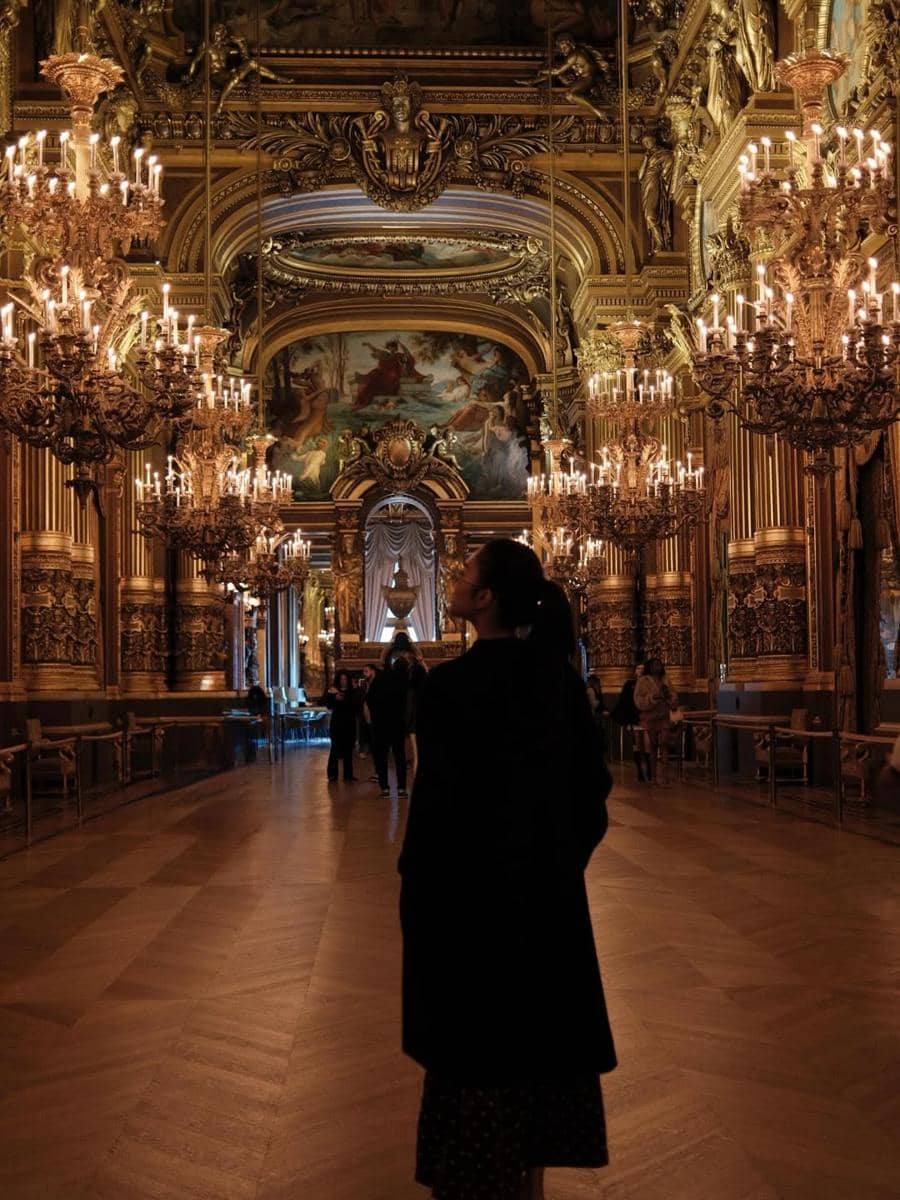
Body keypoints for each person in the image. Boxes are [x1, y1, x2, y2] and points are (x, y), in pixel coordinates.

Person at [400, 539, 615, 1200]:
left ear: (485, 598)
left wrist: (421, 891)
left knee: (476, 1050)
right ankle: (530, 1180)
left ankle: (474, 1178)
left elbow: (434, 809)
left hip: (467, 908)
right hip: (545, 905)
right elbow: (593, 796)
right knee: (538, 1045)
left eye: (465, 573)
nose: (456, 581)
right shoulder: (559, 679)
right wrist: (553, 864)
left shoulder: (449, 687)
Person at [367, 654, 410, 797]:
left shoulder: (379, 679)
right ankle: (402, 789)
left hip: (380, 724)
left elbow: (369, 699)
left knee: (381, 757)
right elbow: (406, 703)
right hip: (397, 723)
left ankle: (384, 788)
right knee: (400, 757)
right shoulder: (403, 680)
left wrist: (375, 717)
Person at [634, 657, 678, 785]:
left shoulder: (665, 680)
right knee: (652, 747)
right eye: (655, 664)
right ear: (650, 667)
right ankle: (653, 776)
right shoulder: (643, 681)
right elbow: (638, 699)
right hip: (650, 717)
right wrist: (652, 697)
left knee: (664, 744)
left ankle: (665, 776)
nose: (657, 667)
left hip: (663, 716)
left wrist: (670, 697)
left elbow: (674, 694)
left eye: (659, 664)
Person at [610, 664, 646, 782]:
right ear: (635, 671)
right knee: (637, 744)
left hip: (647, 717)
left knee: (647, 744)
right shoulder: (630, 685)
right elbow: (624, 701)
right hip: (634, 718)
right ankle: (640, 770)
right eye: (638, 668)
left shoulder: (649, 684)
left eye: (643, 669)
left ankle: (649, 769)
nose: (640, 671)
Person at [322, 670, 358, 783]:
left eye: (345, 679)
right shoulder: (332, 691)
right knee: (335, 749)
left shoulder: (353, 692)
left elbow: (355, 705)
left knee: (348, 750)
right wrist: (333, 697)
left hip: (349, 723)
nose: (343, 681)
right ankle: (332, 774)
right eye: (341, 679)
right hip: (337, 723)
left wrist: (342, 697)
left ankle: (348, 775)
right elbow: (327, 705)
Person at [245, 683, 269, 763]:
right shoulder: (262, 699)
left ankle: (250, 756)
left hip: (253, 720)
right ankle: (251, 755)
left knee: (250, 733)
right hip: (255, 719)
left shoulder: (251, 697)